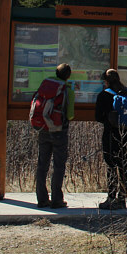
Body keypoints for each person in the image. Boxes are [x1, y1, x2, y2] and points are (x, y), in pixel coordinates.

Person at [95, 68, 127, 210]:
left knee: (111, 165)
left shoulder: (104, 95)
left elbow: (98, 117)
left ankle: (111, 198)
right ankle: (122, 198)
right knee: (123, 164)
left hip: (111, 134)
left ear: (106, 81)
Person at [35, 63, 75, 209]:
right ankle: (57, 199)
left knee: (42, 165)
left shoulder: (45, 84)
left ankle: (42, 199)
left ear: (55, 73)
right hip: (59, 131)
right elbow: (70, 115)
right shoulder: (67, 90)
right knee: (58, 165)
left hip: (43, 128)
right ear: (68, 76)